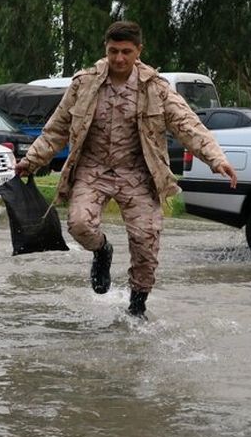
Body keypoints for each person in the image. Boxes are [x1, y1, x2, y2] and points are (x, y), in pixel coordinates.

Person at [14, 20, 237, 319]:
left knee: (146, 240)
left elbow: (188, 125)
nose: (119, 58)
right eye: (113, 51)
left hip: (138, 172)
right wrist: (31, 160)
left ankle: (137, 307)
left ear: (138, 51)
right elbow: (57, 128)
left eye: (126, 52)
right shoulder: (84, 83)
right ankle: (102, 250)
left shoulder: (156, 88)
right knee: (79, 224)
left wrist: (216, 159)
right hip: (93, 168)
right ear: (105, 50)